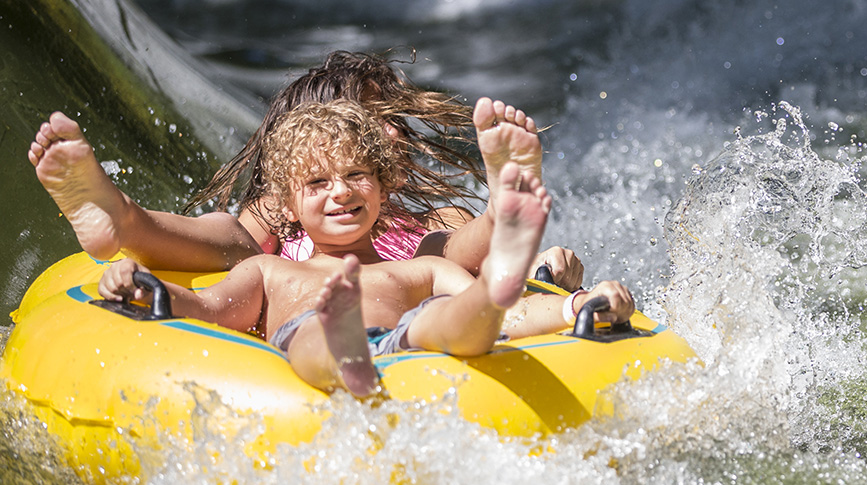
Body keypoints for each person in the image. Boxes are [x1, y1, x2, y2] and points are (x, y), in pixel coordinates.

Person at [97, 100, 634, 396]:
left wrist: (574, 306)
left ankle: (502, 260)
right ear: (286, 205)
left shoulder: (418, 269)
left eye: (356, 175)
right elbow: (209, 308)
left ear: (382, 185)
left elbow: (510, 315)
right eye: (318, 183)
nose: (341, 191)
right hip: (318, 336)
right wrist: (144, 286)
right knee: (313, 333)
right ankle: (341, 346)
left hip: (405, 341)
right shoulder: (270, 270)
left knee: (449, 314)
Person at [29, 50, 584, 290]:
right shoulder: (288, 213)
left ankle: (503, 210)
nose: (392, 132)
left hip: (414, 310)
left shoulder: (436, 218)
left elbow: (467, 265)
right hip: (312, 307)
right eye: (370, 121)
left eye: (390, 120)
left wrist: (546, 271)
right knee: (239, 238)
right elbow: (233, 244)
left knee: (449, 244)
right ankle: (117, 216)